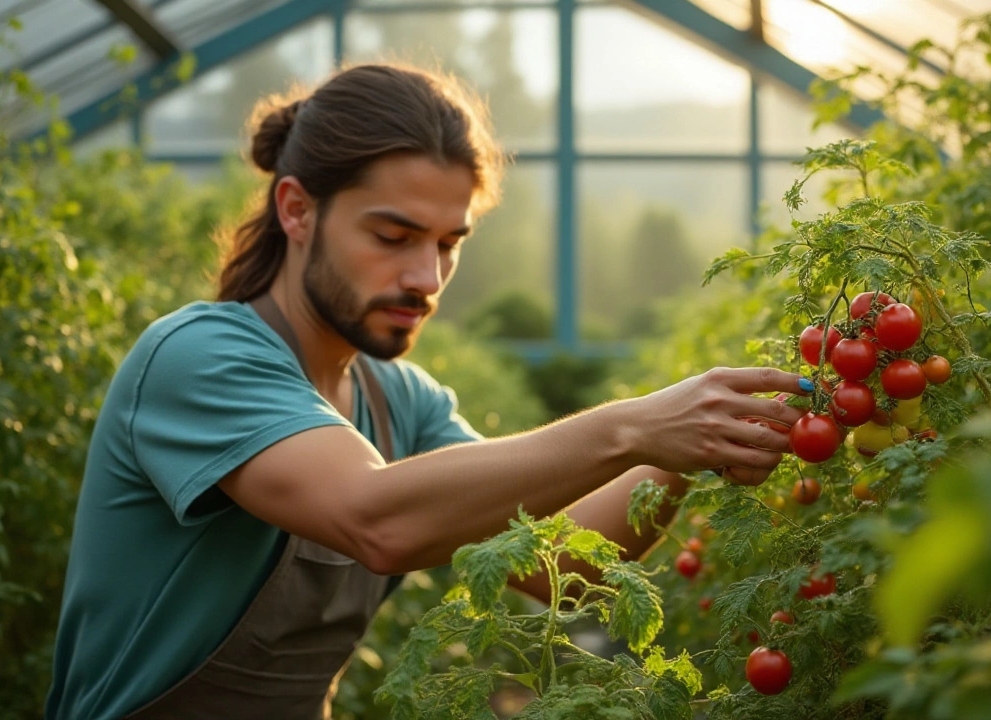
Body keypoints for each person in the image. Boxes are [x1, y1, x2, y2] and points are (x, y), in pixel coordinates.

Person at [44, 63, 809, 720]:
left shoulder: (398, 400)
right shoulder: (200, 358)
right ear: (297, 210)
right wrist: (630, 427)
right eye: (393, 237)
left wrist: (695, 441)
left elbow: (562, 564)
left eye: (448, 244)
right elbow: (376, 521)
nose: (426, 279)